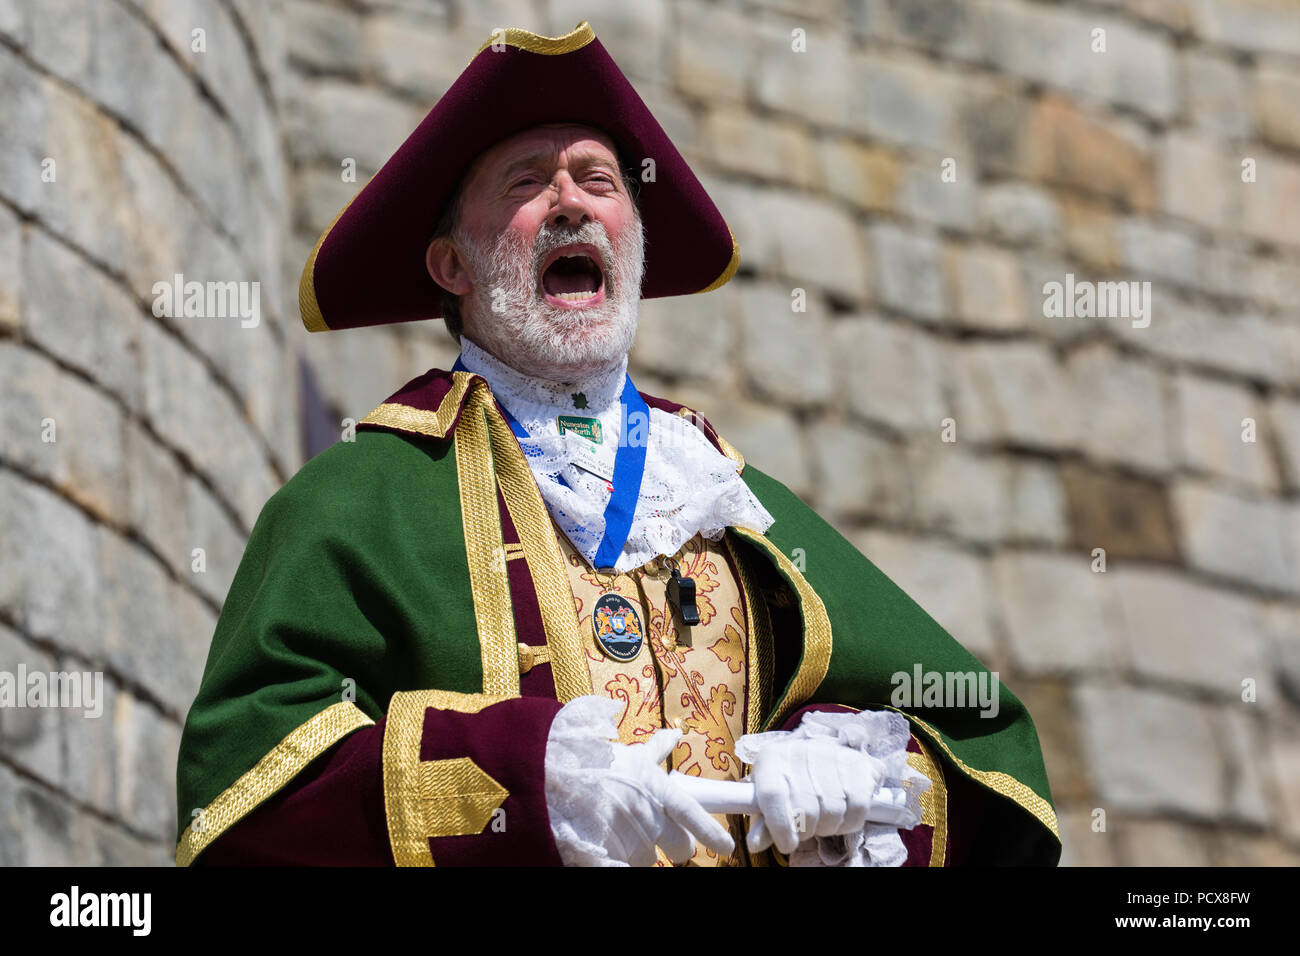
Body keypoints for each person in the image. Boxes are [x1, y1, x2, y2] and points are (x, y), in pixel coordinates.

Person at [174, 21, 1061, 867]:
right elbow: (245, 791)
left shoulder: (724, 496)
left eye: (600, 183)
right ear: (453, 265)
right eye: (527, 183)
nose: (571, 203)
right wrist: (524, 788)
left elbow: (986, 742)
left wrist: (859, 786)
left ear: (634, 245)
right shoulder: (363, 497)